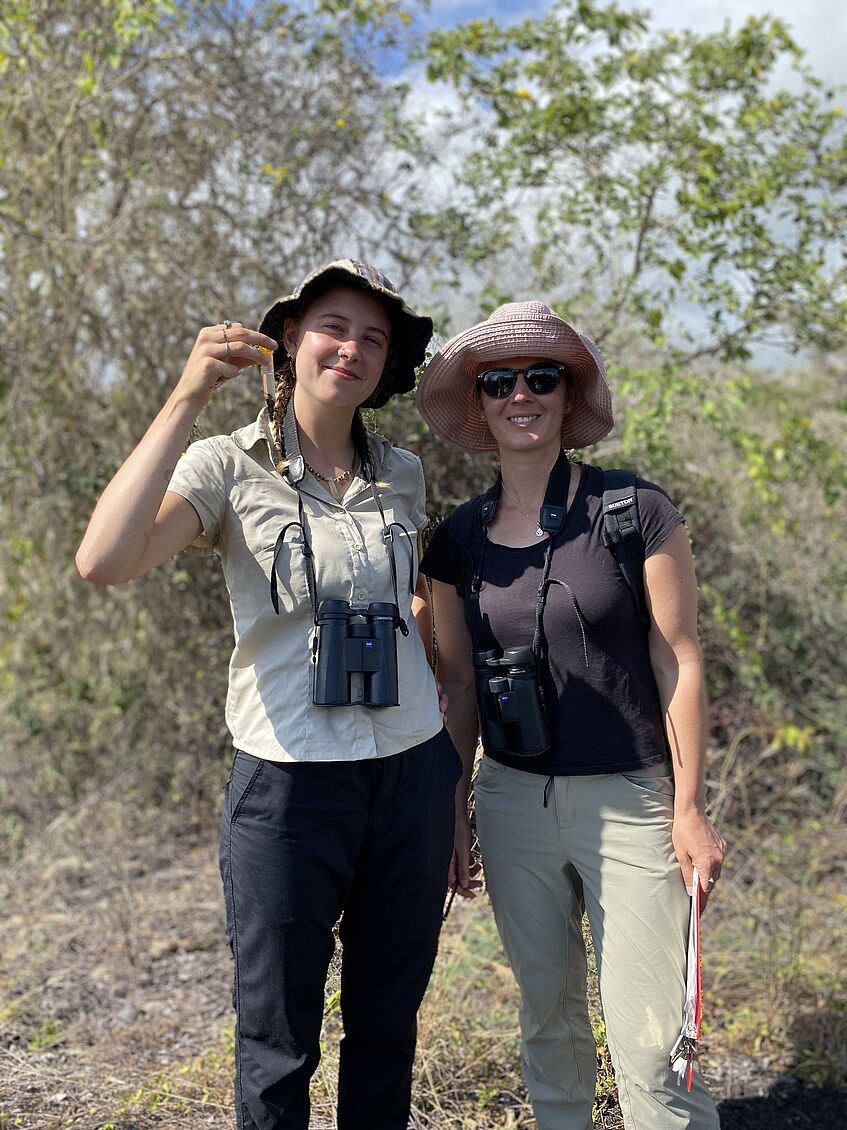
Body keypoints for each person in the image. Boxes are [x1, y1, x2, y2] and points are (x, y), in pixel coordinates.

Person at [76, 260, 462, 1130]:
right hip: (288, 785)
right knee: (277, 1039)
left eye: (373, 337)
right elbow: (104, 561)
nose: (352, 349)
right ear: (289, 338)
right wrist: (183, 399)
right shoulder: (225, 464)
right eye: (333, 326)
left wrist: (454, 787)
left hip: (407, 775)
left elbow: (411, 619)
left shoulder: (400, 472)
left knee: (386, 1027)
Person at [416, 300, 726, 1130]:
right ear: (478, 405)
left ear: (567, 393)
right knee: (547, 1022)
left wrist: (690, 809)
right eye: (499, 381)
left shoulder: (633, 511)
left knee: (653, 1036)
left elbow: (678, 658)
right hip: (513, 802)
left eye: (541, 376)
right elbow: (457, 685)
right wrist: (454, 811)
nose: (522, 394)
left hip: (630, 801)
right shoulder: (455, 540)